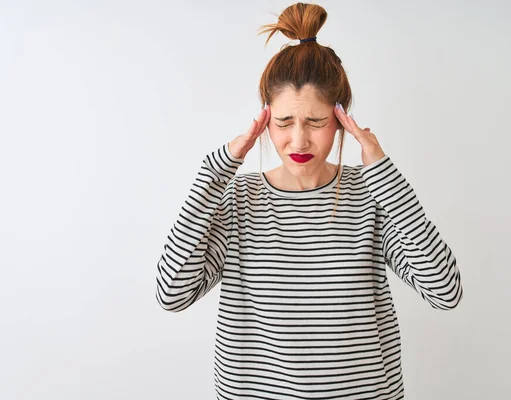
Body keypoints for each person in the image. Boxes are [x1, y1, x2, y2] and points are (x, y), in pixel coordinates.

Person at [155, 3, 463, 399]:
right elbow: (171, 293)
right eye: (283, 122)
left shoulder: (372, 195)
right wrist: (216, 172)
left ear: (340, 118)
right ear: (264, 119)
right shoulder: (239, 200)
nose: (298, 141)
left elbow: (445, 291)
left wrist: (382, 171)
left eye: (316, 122)